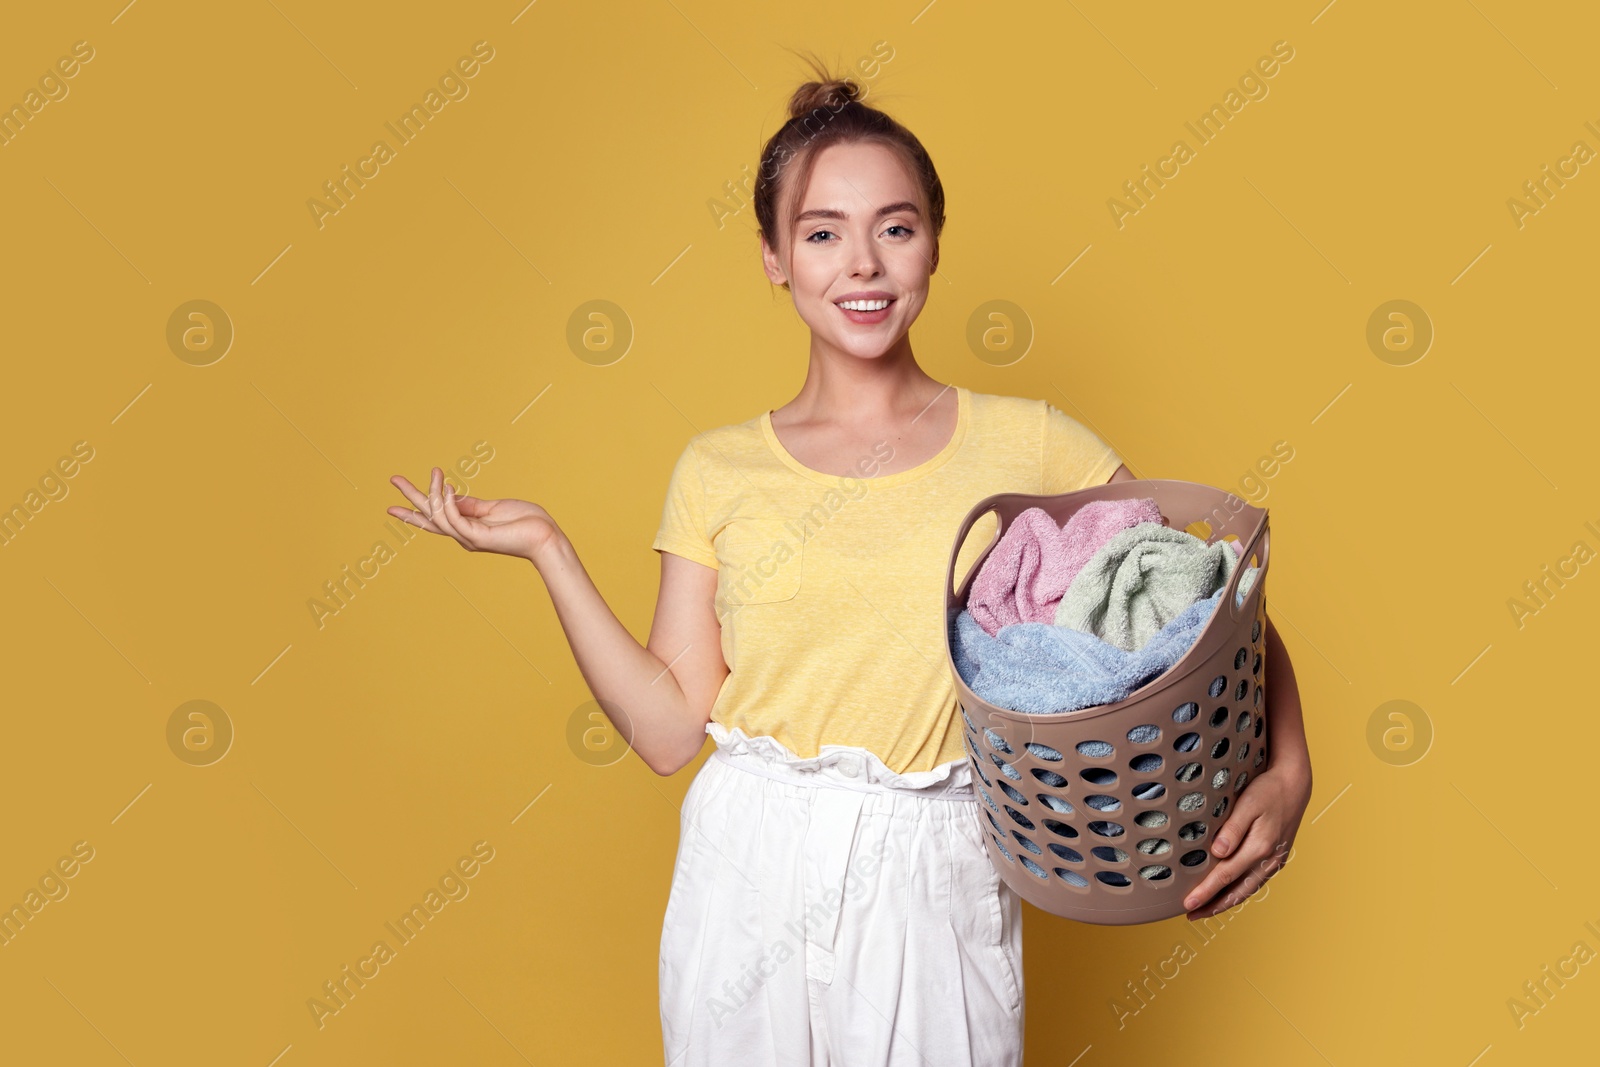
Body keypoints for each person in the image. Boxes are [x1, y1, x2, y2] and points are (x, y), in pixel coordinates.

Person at [387, 61, 1312, 1067]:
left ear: (934, 246)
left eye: (895, 227)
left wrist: (1289, 768)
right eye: (822, 232)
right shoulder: (716, 468)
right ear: (773, 257)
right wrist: (548, 550)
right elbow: (665, 730)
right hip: (747, 859)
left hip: (937, 854)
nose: (861, 264)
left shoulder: (1033, 446)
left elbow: (1200, 606)